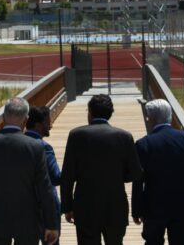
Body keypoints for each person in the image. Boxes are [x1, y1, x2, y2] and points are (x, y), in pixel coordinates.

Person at [0, 97, 60, 245]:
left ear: (3, 118)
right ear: (26, 120)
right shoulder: (36, 147)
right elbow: (45, 188)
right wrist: (51, 224)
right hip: (28, 221)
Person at [60, 94, 142, 245]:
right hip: (115, 206)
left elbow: (67, 175)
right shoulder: (125, 137)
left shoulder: (76, 135)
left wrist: (67, 206)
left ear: (90, 112)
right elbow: (135, 173)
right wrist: (117, 175)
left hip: (85, 207)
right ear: (110, 113)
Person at [131, 99, 184, 245]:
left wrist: (137, 210)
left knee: (153, 242)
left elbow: (138, 181)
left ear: (152, 118)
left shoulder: (143, 144)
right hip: (183, 205)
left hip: (153, 207)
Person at [25, 105, 62, 226]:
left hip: (23, 208)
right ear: (38, 125)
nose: (51, 126)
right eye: (48, 123)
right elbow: (56, 178)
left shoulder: (17, 145)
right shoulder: (44, 147)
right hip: (46, 207)